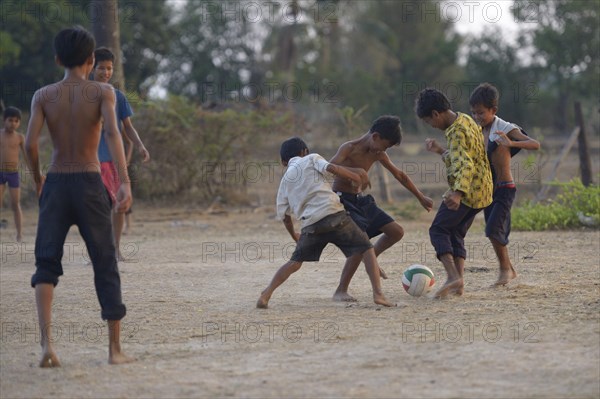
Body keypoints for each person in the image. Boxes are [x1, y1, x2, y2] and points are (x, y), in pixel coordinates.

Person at [25, 26, 134, 367]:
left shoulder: (43, 95)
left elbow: (29, 143)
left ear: (58, 59)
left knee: (46, 263)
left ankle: (47, 347)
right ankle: (114, 351)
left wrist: (38, 177)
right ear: (91, 59)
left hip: (57, 182)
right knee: (105, 263)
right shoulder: (103, 93)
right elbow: (115, 135)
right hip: (89, 182)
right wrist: (124, 181)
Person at [257, 137, 393, 308]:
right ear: (304, 152)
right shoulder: (311, 158)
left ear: (284, 162)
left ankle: (266, 294)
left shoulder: (284, 182)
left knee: (294, 263)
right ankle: (378, 294)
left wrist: (294, 236)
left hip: (311, 225)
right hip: (334, 215)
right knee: (366, 248)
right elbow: (332, 168)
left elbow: (285, 217)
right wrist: (356, 177)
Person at [330, 115, 433, 302]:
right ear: (375, 136)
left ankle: (371, 258)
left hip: (360, 200)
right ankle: (341, 290)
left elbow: (399, 175)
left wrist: (420, 197)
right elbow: (329, 167)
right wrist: (357, 173)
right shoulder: (348, 148)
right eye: (384, 146)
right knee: (361, 244)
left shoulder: (378, 154)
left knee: (396, 231)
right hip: (342, 200)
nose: (383, 151)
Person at [416, 88, 493, 298]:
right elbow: (465, 155)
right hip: (483, 190)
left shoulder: (455, 131)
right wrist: (441, 151)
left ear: (435, 114)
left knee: (438, 230)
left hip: (468, 191)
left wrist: (457, 193)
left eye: (429, 122)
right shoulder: (465, 119)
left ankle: (453, 277)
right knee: (456, 232)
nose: (432, 126)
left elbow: (465, 165)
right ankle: (458, 285)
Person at [469, 83, 540, 285]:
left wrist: (512, 143)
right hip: (487, 190)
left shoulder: (505, 127)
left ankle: (504, 271)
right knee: (495, 231)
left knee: (493, 230)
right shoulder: (478, 131)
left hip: (504, 188)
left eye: (481, 113)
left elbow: (535, 144)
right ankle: (510, 269)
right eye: (474, 113)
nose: (477, 117)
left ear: (494, 110)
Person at [92, 47, 150, 260]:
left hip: (115, 162)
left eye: (109, 68)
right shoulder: (84, 95)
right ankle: (98, 252)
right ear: (91, 67)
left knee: (120, 206)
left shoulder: (118, 97)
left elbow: (128, 127)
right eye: (101, 68)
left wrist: (141, 145)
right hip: (92, 162)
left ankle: (115, 249)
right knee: (98, 210)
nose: (105, 72)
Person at [0, 106, 26, 241]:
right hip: (0, 173)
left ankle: (19, 234)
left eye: (16, 121)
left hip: (13, 174)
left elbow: (28, 156)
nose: (13, 123)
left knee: (15, 204)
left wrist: (35, 172)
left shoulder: (20, 137)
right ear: (4, 120)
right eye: (10, 120)